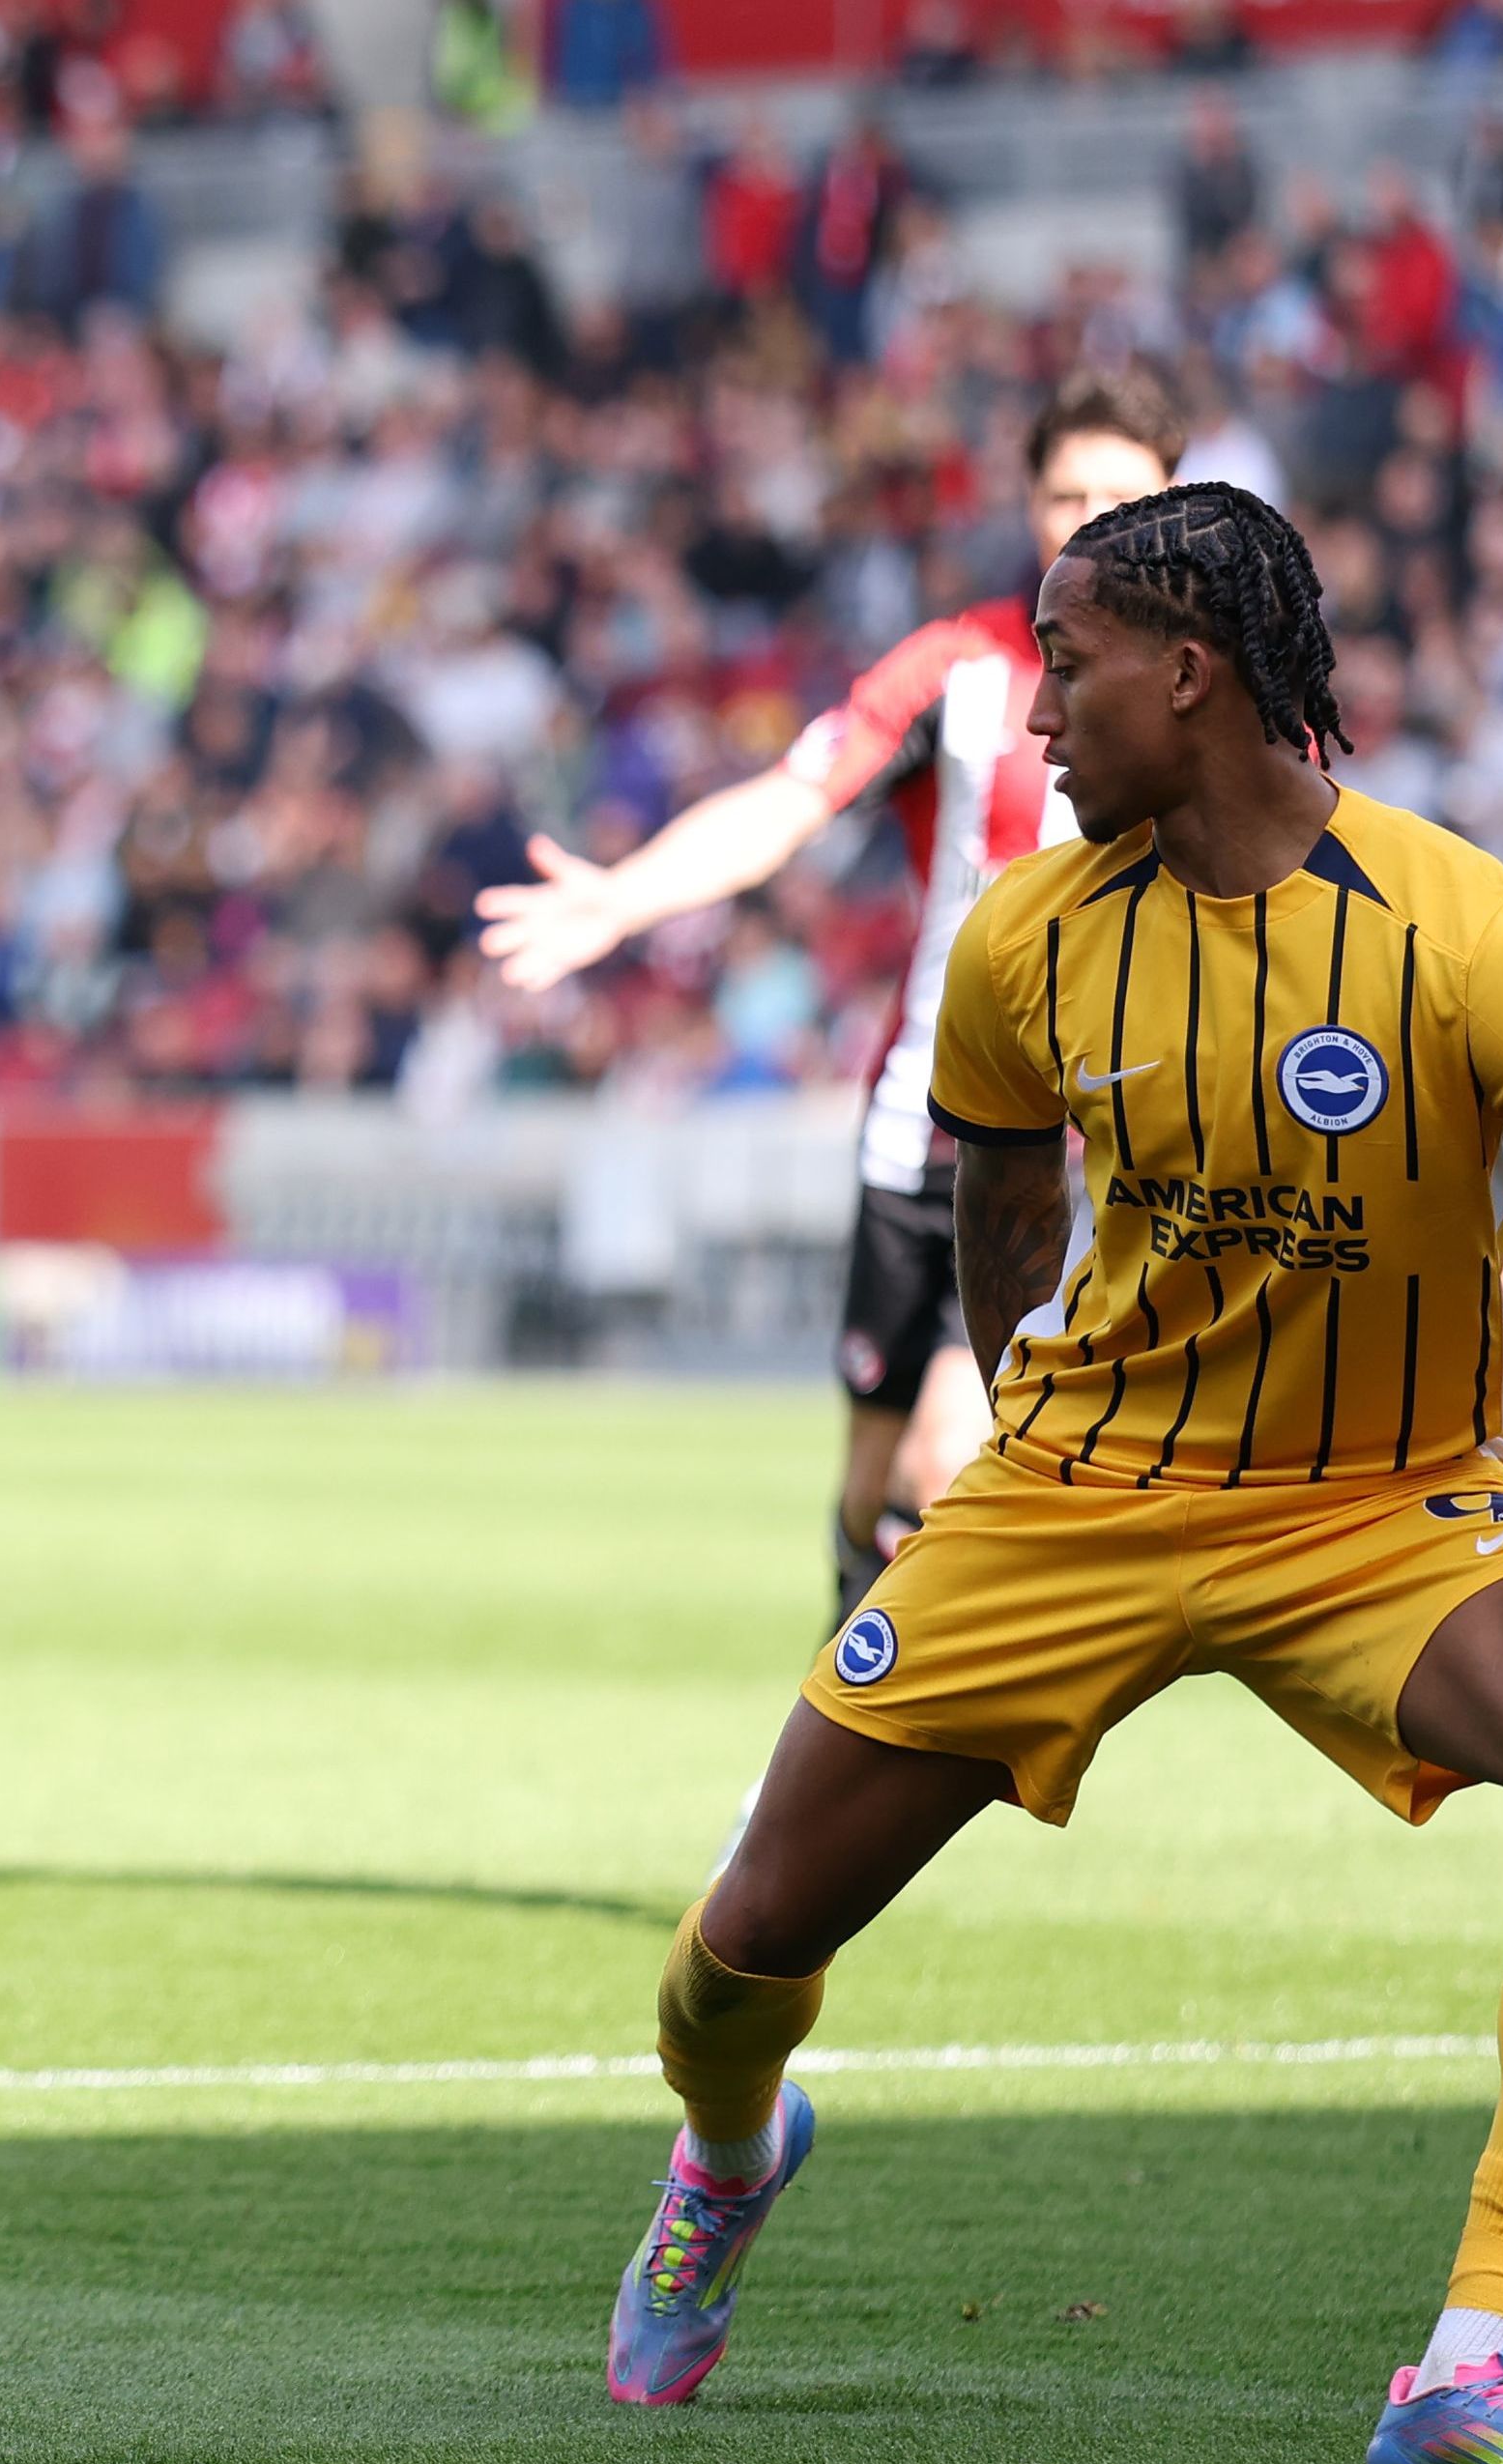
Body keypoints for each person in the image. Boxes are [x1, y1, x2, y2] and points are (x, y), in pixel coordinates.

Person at [603, 483, 1503, 2464]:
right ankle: (730, 2155)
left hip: (1384, 1506)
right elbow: (1006, 1209)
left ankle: (1475, 2362)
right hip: (1082, 1495)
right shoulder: (1022, 936)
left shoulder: (1468, 935)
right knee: (740, 1946)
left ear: (1190, 676)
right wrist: (1011, 1442)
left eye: (1067, 664)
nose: (1034, 717)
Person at [480, 367, 1184, 1624]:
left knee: (950, 1454)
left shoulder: (1212, 693)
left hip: (1099, 1151)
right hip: (920, 1131)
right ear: (1026, 504)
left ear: (1173, 502)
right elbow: (794, 799)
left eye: (1118, 493)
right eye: (1063, 491)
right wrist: (626, 895)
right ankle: (857, 1654)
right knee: (871, 1480)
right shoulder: (959, 668)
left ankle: (908, 1720)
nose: (1085, 516)